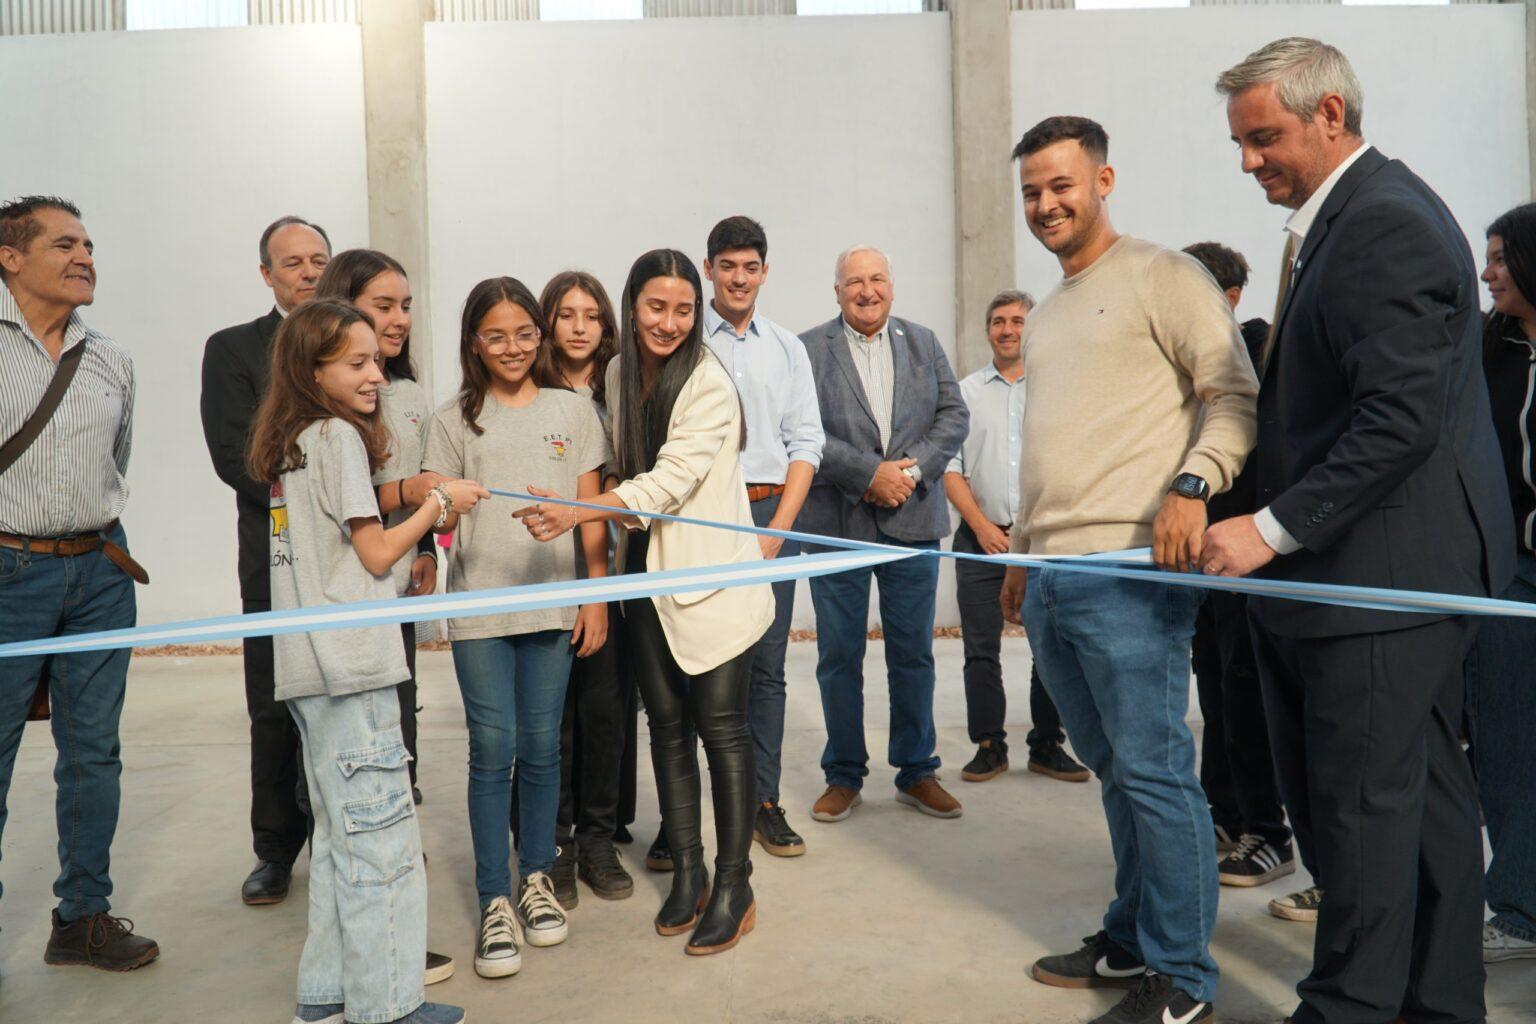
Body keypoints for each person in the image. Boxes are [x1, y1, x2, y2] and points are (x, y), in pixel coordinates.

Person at [1204, 38, 1513, 1024]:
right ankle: (1439, 1004)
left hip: (1379, 581)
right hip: (1385, 576)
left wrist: (1270, 529)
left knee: (1359, 817)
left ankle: (1347, 1007)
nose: (1249, 160)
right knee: (1422, 808)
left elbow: (1397, 421)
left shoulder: (1382, 223)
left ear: (1329, 114)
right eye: (1240, 141)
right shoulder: (1349, 217)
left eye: (1264, 137)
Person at [998, 117, 1257, 1024]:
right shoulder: (1049, 311)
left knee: (1154, 771)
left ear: (1103, 181)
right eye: (1032, 192)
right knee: (1114, 769)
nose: (1046, 204)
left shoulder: (1164, 276)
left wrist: (1194, 484)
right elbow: (1051, 444)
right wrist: (1022, 551)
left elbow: (1233, 396)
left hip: (1130, 573)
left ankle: (1184, 979)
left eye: (1061, 185)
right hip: (1052, 574)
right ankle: (1135, 936)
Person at [515, 248, 774, 956]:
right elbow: (625, 469)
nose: (669, 322)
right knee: (665, 727)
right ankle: (689, 872)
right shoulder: (621, 373)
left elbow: (667, 483)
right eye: (656, 307)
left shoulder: (709, 383)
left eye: (684, 309)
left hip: (714, 584)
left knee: (721, 729)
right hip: (647, 581)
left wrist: (578, 508)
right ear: (632, 307)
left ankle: (735, 885)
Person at [246, 298, 487, 1024]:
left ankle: (325, 998)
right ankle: (387, 1007)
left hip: (309, 670)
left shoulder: (290, 443)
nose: (375, 375)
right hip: (351, 667)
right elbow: (377, 552)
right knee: (381, 846)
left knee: (337, 842)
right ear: (310, 370)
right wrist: (440, 504)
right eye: (355, 363)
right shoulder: (335, 438)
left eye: (376, 361)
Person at [423, 276, 607, 978]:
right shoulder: (452, 419)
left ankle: (536, 879)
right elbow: (436, 514)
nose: (512, 347)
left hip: (553, 602)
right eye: (495, 335)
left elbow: (591, 514)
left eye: (525, 333)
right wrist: (445, 505)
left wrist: (594, 598)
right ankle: (493, 899)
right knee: (492, 746)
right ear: (474, 341)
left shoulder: (573, 410)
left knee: (541, 745)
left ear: (540, 334)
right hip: (480, 607)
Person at [0, 195, 159, 971]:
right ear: (10, 258)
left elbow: (115, 462)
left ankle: (83, 918)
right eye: (65, 244)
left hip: (100, 571)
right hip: (7, 574)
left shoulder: (111, 359)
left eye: (89, 245)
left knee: (94, 753)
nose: (85, 257)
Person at [798, 245, 968, 824]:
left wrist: (909, 473)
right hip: (837, 525)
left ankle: (917, 771)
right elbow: (804, 430)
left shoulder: (923, 342)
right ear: (837, 291)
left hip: (913, 520)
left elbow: (954, 416)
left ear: (891, 286)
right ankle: (843, 775)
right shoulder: (808, 349)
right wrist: (869, 475)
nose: (866, 291)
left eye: (876, 279)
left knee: (913, 654)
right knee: (838, 655)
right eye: (854, 282)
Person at [200, 214, 330, 906]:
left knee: (358, 699)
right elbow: (236, 456)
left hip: (359, 556)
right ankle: (276, 850)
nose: (308, 273)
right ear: (266, 274)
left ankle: (359, 836)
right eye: (293, 263)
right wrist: (320, 501)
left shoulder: (356, 342)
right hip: (274, 557)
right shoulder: (233, 349)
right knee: (274, 710)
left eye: (319, 260)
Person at [700, 215, 824, 856]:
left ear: (765, 272)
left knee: (768, 667)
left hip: (774, 511)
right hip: (703, 515)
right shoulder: (689, 343)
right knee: (702, 660)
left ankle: (763, 802)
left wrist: (778, 529)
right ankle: (687, 816)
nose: (739, 278)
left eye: (751, 268)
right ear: (709, 270)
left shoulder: (787, 348)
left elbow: (807, 442)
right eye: (728, 266)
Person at [1179, 241, 1295, 889]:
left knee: (1246, 692)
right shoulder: (1185, 359)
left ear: (1227, 297)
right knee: (1217, 691)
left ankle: (1268, 833)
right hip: (1200, 560)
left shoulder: (1258, 348)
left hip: (1249, 555)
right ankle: (1224, 813)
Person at [942, 288, 1086, 786]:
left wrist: (1028, 536)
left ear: (1033, 327)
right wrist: (982, 528)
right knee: (981, 649)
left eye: (1018, 321)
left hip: (1042, 542)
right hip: (979, 539)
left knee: (1049, 646)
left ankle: (1047, 744)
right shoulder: (964, 394)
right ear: (988, 331)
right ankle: (989, 745)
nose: (1007, 330)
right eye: (999, 321)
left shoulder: (1056, 388)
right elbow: (950, 468)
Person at [314, 249, 442, 806]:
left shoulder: (410, 394)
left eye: (406, 307)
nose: (399, 320)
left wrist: (428, 548)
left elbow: (421, 474)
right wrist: (418, 495)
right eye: (383, 306)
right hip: (349, 585)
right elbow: (355, 499)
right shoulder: (333, 411)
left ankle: (399, 813)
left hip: (399, 580)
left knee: (400, 708)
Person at [531, 268, 634, 906]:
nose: (578, 327)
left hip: (606, 567)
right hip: (542, 569)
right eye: (566, 314)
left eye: (591, 316)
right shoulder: (530, 387)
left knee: (604, 711)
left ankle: (599, 838)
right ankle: (554, 843)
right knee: (553, 720)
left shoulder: (620, 387)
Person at [1474, 203, 1536, 965]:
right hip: (1509, 575)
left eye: (1499, 257)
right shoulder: (1486, 350)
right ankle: (1521, 908)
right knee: (1509, 741)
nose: (1487, 273)